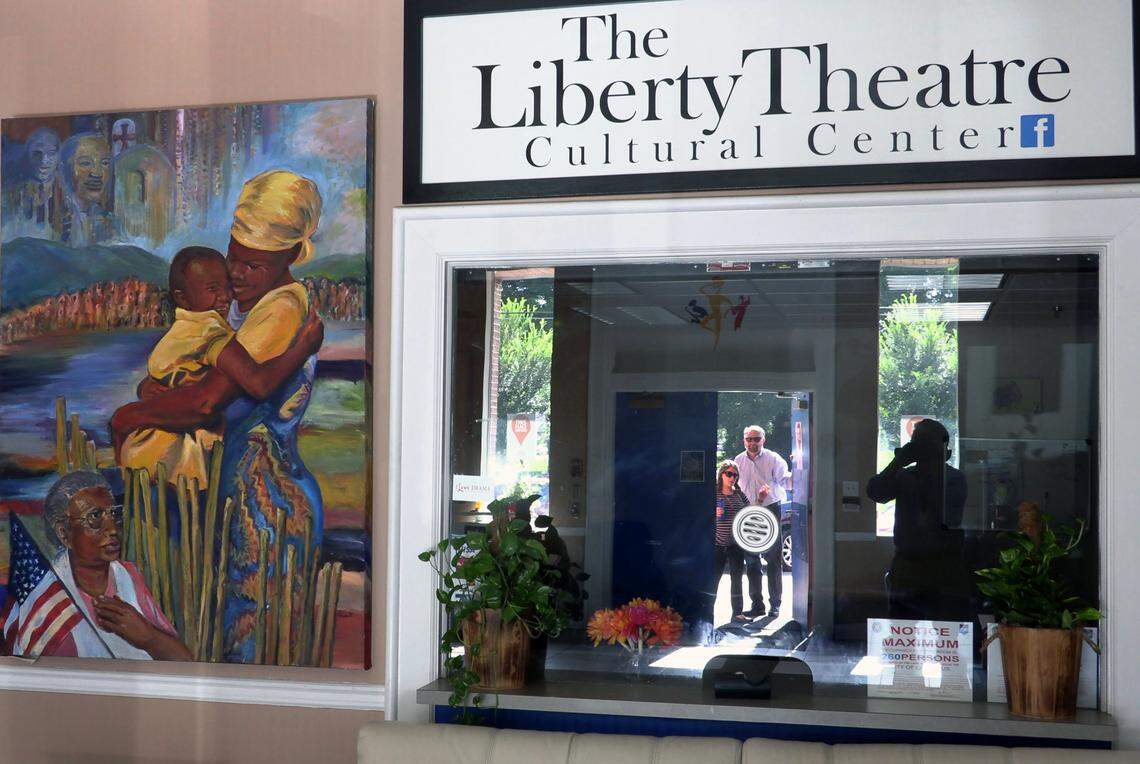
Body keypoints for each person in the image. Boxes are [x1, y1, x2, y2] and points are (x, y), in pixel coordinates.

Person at [108, 169, 325, 663]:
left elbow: (207, 402)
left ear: (291, 256)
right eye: (234, 259)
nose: (237, 276)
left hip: (264, 506)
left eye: (254, 265)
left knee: (251, 653)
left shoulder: (279, 312)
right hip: (253, 497)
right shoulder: (265, 308)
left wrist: (131, 415)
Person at [115, 246, 323, 485]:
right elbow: (259, 383)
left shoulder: (182, 330)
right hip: (169, 458)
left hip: (143, 451)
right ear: (182, 297)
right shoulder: (210, 330)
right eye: (213, 289)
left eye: (226, 288)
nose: (225, 297)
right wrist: (304, 347)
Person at [1, 472, 190, 660]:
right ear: (64, 534)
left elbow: (185, 662)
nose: (113, 529)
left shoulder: (127, 576)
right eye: (95, 517)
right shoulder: (50, 599)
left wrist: (149, 637)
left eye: (114, 514)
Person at [865, 418, 969, 620]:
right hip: (909, 565)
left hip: (944, 566)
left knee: (947, 634)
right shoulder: (905, 475)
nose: (918, 448)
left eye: (923, 443)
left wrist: (932, 464)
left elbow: (946, 516)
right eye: (916, 443)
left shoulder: (953, 478)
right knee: (904, 632)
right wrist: (897, 462)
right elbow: (875, 493)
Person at [734, 425, 790, 618]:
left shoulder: (774, 459)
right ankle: (757, 605)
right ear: (744, 441)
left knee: (773, 559)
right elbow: (734, 488)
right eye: (749, 439)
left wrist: (800, 468)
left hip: (770, 510)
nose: (752, 443)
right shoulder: (738, 461)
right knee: (751, 562)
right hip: (748, 512)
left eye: (756, 439)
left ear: (763, 440)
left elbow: (786, 481)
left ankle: (775, 605)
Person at [712, 460, 751, 624]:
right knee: (714, 579)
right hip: (718, 543)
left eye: (735, 475)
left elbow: (750, 511)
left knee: (737, 579)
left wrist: (761, 498)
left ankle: (737, 612)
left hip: (736, 543)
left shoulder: (739, 494)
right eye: (729, 474)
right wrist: (713, 512)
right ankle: (707, 611)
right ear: (721, 474)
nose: (732, 477)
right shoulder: (714, 494)